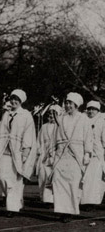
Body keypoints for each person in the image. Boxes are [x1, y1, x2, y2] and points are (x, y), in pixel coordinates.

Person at [0, 89, 37, 218]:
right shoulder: (6, 114)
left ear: (21, 101)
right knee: (2, 177)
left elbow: (28, 133)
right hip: (4, 151)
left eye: (17, 99)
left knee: (15, 180)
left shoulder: (26, 115)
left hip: (17, 152)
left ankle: (12, 207)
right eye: (12, 98)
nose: (14, 101)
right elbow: (0, 130)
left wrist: (25, 152)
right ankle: (16, 200)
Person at [52, 92, 93, 223]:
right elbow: (55, 136)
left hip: (76, 155)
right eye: (66, 103)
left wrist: (87, 153)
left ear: (76, 105)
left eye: (70, 103)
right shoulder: (61, 118)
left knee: (73, 183)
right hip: (61, 155)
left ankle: (69, 211)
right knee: (59, 182)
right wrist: (52, 150)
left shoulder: (84, 119)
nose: (68, 105)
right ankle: (62, 210)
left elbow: (88, 137)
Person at [80, 100, 105, 210]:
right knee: (83, 177)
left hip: (97, 154)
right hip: (83, 153)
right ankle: (82, 200)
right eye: (89, 109)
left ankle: (91, 202)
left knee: (94, 179)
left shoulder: (102, 121)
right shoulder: (82, 120)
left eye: (93, 109)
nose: (90, 111)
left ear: (98, 110)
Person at [36, 104, 62, 205]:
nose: (51, 115)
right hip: (44, 156)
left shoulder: (60, 127)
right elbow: (39, 141)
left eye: (54, 113)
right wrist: (39, 151)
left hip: (55, 155)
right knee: (43, 177)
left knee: (53, 178)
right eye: (50, 113)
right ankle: (44, 199)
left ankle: (52, 200)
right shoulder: (44, 126)